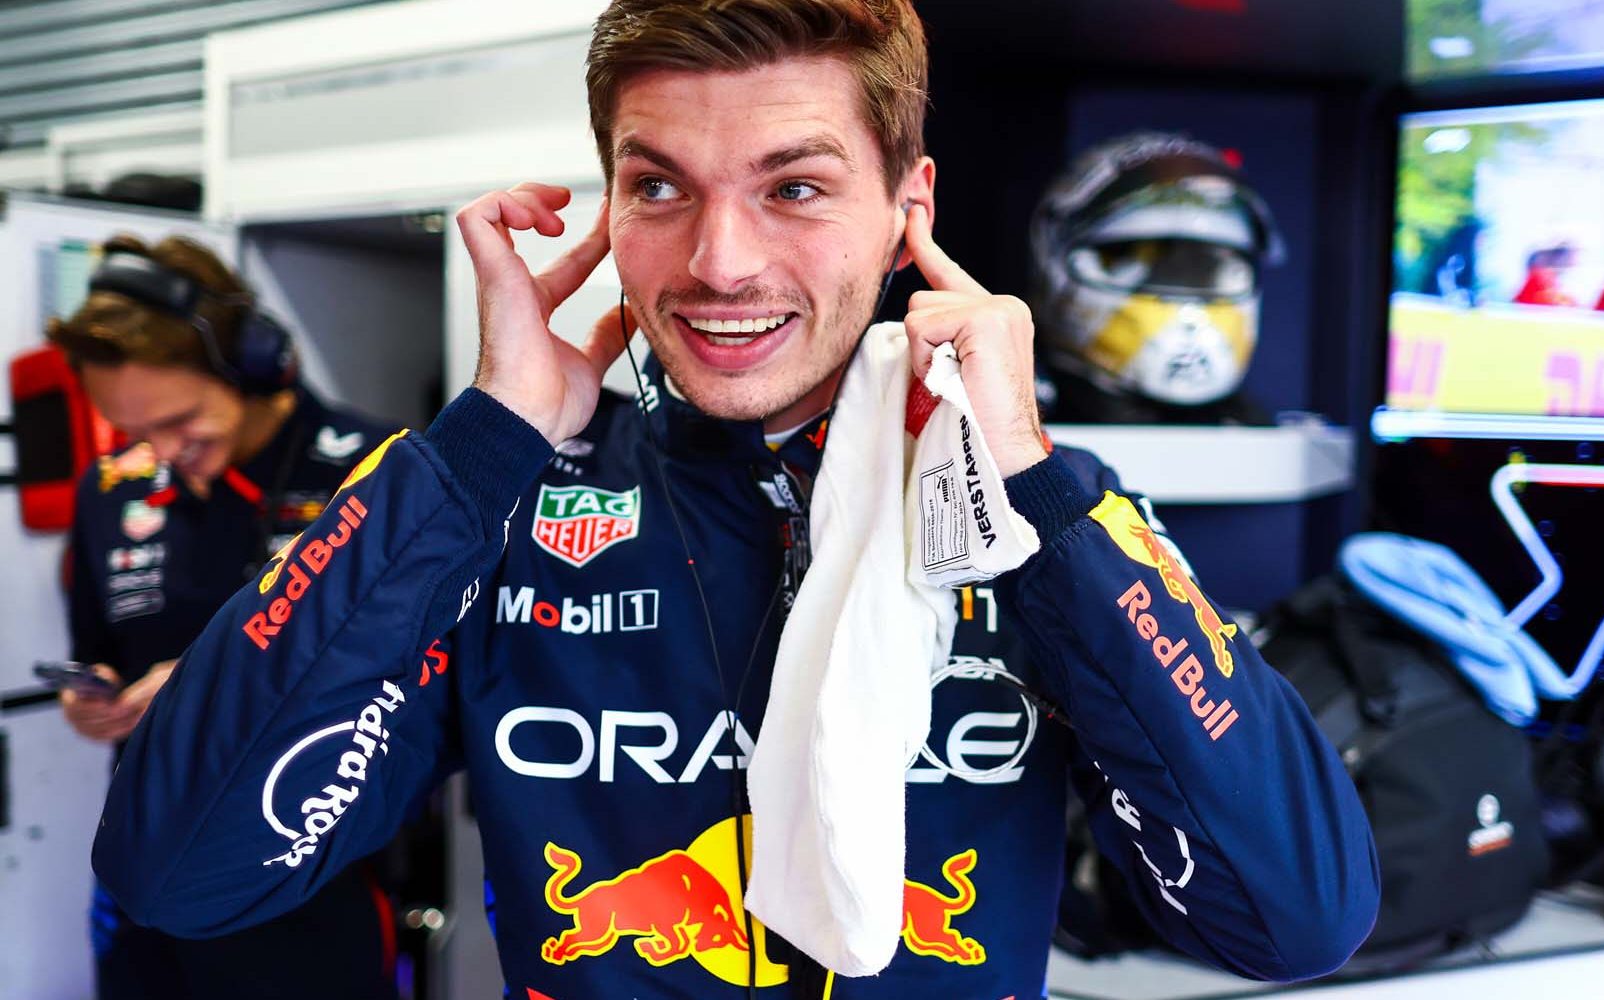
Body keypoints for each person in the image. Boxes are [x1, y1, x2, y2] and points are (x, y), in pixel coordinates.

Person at [91, 3, 1380, 998]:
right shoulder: (489, 499)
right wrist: (480, 447)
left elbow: (1297, 919)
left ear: (905, 211)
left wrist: (1037, 488)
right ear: (610, 205)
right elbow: (177, 871)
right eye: (660, 187)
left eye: (795, 186)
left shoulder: (1027, 517)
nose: (719, 263)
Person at [47, 234, 399, 999]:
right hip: (145, 874)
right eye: (138, 433)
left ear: (248, 364)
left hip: (307, 879)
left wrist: (207, 683)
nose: (165, 453)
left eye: (181, 422)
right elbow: (100, 649)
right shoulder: (111, 489)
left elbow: (414, 686)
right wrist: (95, 697)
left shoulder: (374, 473)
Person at [1029, 132, 1284, 425]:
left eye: (1203, 268)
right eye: (1126, 259)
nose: (1184, 288)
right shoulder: (1017, 422)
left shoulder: (1255, 434)